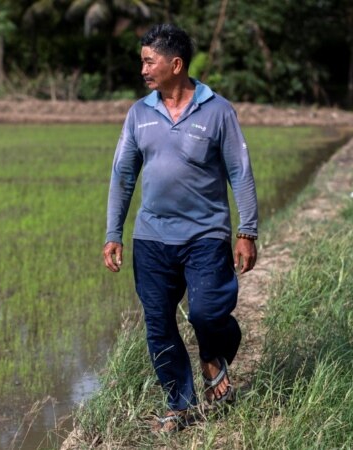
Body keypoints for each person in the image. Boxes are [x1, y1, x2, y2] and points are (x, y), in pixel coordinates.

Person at [102, 23, 258, 432]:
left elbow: (240, 171)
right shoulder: (139, 113)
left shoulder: (218, 111)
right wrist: (113, 233)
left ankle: (214, 355)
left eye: (149, 61)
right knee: (158, 324)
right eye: (141, 61)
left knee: (208, 312)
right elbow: (122, 175)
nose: (143, 70)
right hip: (151, 239)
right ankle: (179, 404)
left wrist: (248, 231)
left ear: (176, 64)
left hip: (205, 235)